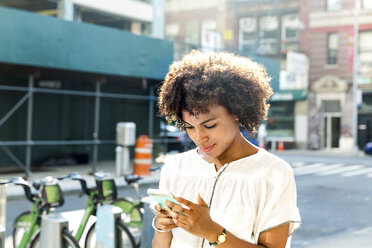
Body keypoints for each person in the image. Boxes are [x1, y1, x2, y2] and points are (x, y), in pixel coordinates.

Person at [152, 51, 301, 248]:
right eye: (189, 127)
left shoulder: (273, 173)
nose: (199, 137)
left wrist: (212, 232)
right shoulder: (175, 168)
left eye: (210, 125)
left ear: (237, 112)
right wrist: (162, 226)